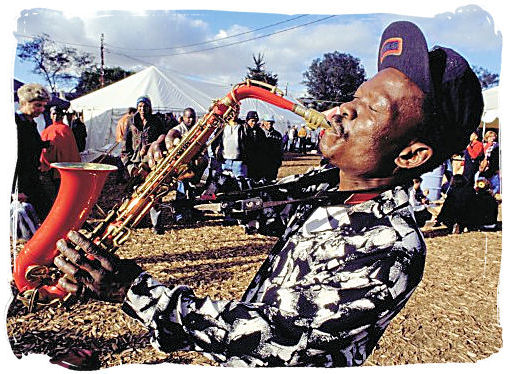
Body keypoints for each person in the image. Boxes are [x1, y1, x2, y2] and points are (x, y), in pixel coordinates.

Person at [54, 21, 483, 367]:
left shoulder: (393, 248)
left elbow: (275, 338)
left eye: (372, 108)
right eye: (355, 97)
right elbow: (249, 208)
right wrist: (179, 168)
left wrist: (134, 291)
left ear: (411, 155)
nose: (342, 110)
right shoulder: (328, 186)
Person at [121, 96, 166, 234]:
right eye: (140, 106)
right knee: (135, 192)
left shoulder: (156, 122)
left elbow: (163, 135)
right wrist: (128, 165)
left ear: (149, 107)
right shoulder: (131, 122)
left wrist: (153, 145)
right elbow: (125, 145)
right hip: (135, 163)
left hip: (151, 163)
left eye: (145, 106)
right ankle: (138, 221)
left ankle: (156, 225)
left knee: (154, 192)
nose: (142, 109)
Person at [13, 83, 53, 222]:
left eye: (43, 106)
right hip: (19, 181)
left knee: (46, 212)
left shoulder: (30, 122)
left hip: (32, 177)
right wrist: (15, 190)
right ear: (23, 103)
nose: (41, 109)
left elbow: (29, 145)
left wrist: (45, 144)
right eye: (37, 105)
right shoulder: (15, 123)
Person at [40, 106, 82, 194]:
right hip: (50, 167)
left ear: (62, 116)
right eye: (53, 114)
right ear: (50, 116)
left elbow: (71, 149)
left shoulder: (66, 129)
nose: (55, 116)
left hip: (63, 167)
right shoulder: (46, 131)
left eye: (58, 114)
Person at [243, 110, 267, 180]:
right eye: (252, 121)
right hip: (245, 159)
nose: (254, 123)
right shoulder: (242, 130)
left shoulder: (259, 131)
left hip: (256, 159)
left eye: (255, 121)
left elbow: (263, 145)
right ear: (247, 120)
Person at [261, 114, 283, 180]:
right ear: (263, 122)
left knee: (272, 180)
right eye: (268, 122)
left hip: (273, 163)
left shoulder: (277, 135)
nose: (269, 124)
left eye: (271, 122)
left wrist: (279, 161)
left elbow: (280, 149)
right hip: (262, 162)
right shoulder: (259, 133)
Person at [479, 130, 500, 195]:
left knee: (493, 181)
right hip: (483, 165)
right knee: (482, 180)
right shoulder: (484, 145)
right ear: (487, 137)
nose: (492, 138)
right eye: (490, 137)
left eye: (493, 136)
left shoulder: (496, 145)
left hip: (492, 164)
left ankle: (493, 193)